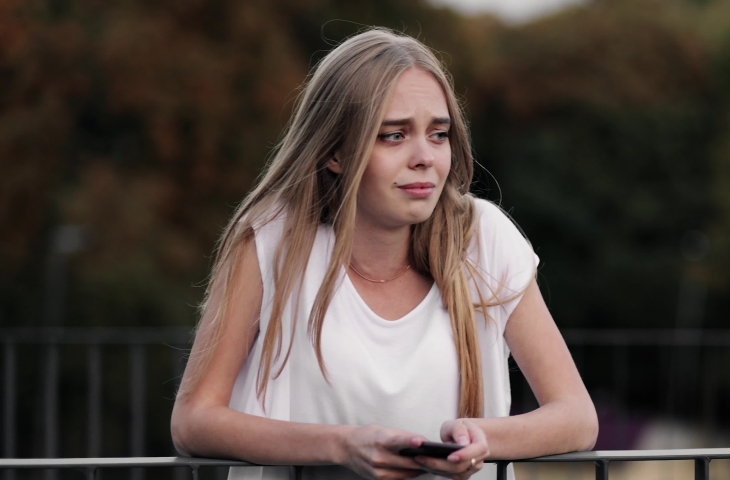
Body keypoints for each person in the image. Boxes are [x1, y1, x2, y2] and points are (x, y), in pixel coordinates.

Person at [171, 28, 598, 480]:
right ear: (334, 151)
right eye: (394, 136)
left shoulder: (484, 238)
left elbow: (576, 416)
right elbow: (194, 420)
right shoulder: (272, 241)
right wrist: (342, 444)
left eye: (438, 134)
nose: (424, 157)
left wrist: (483, 438)